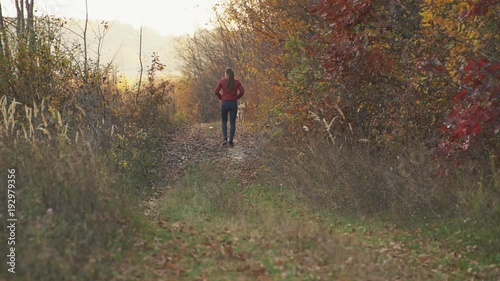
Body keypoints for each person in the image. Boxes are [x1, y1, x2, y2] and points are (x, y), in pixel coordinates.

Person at [214, 68, 245, 146]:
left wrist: (221, 97)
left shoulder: (222, 81)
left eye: (225, 74)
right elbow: (242, 91)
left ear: (226, 74)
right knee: (232, 123)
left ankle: (225, 139)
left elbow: (216, 91)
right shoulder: (237, 82)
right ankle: (231, 141)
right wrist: (236, 97)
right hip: (233, 104)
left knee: (224, 122)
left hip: (225, 103)